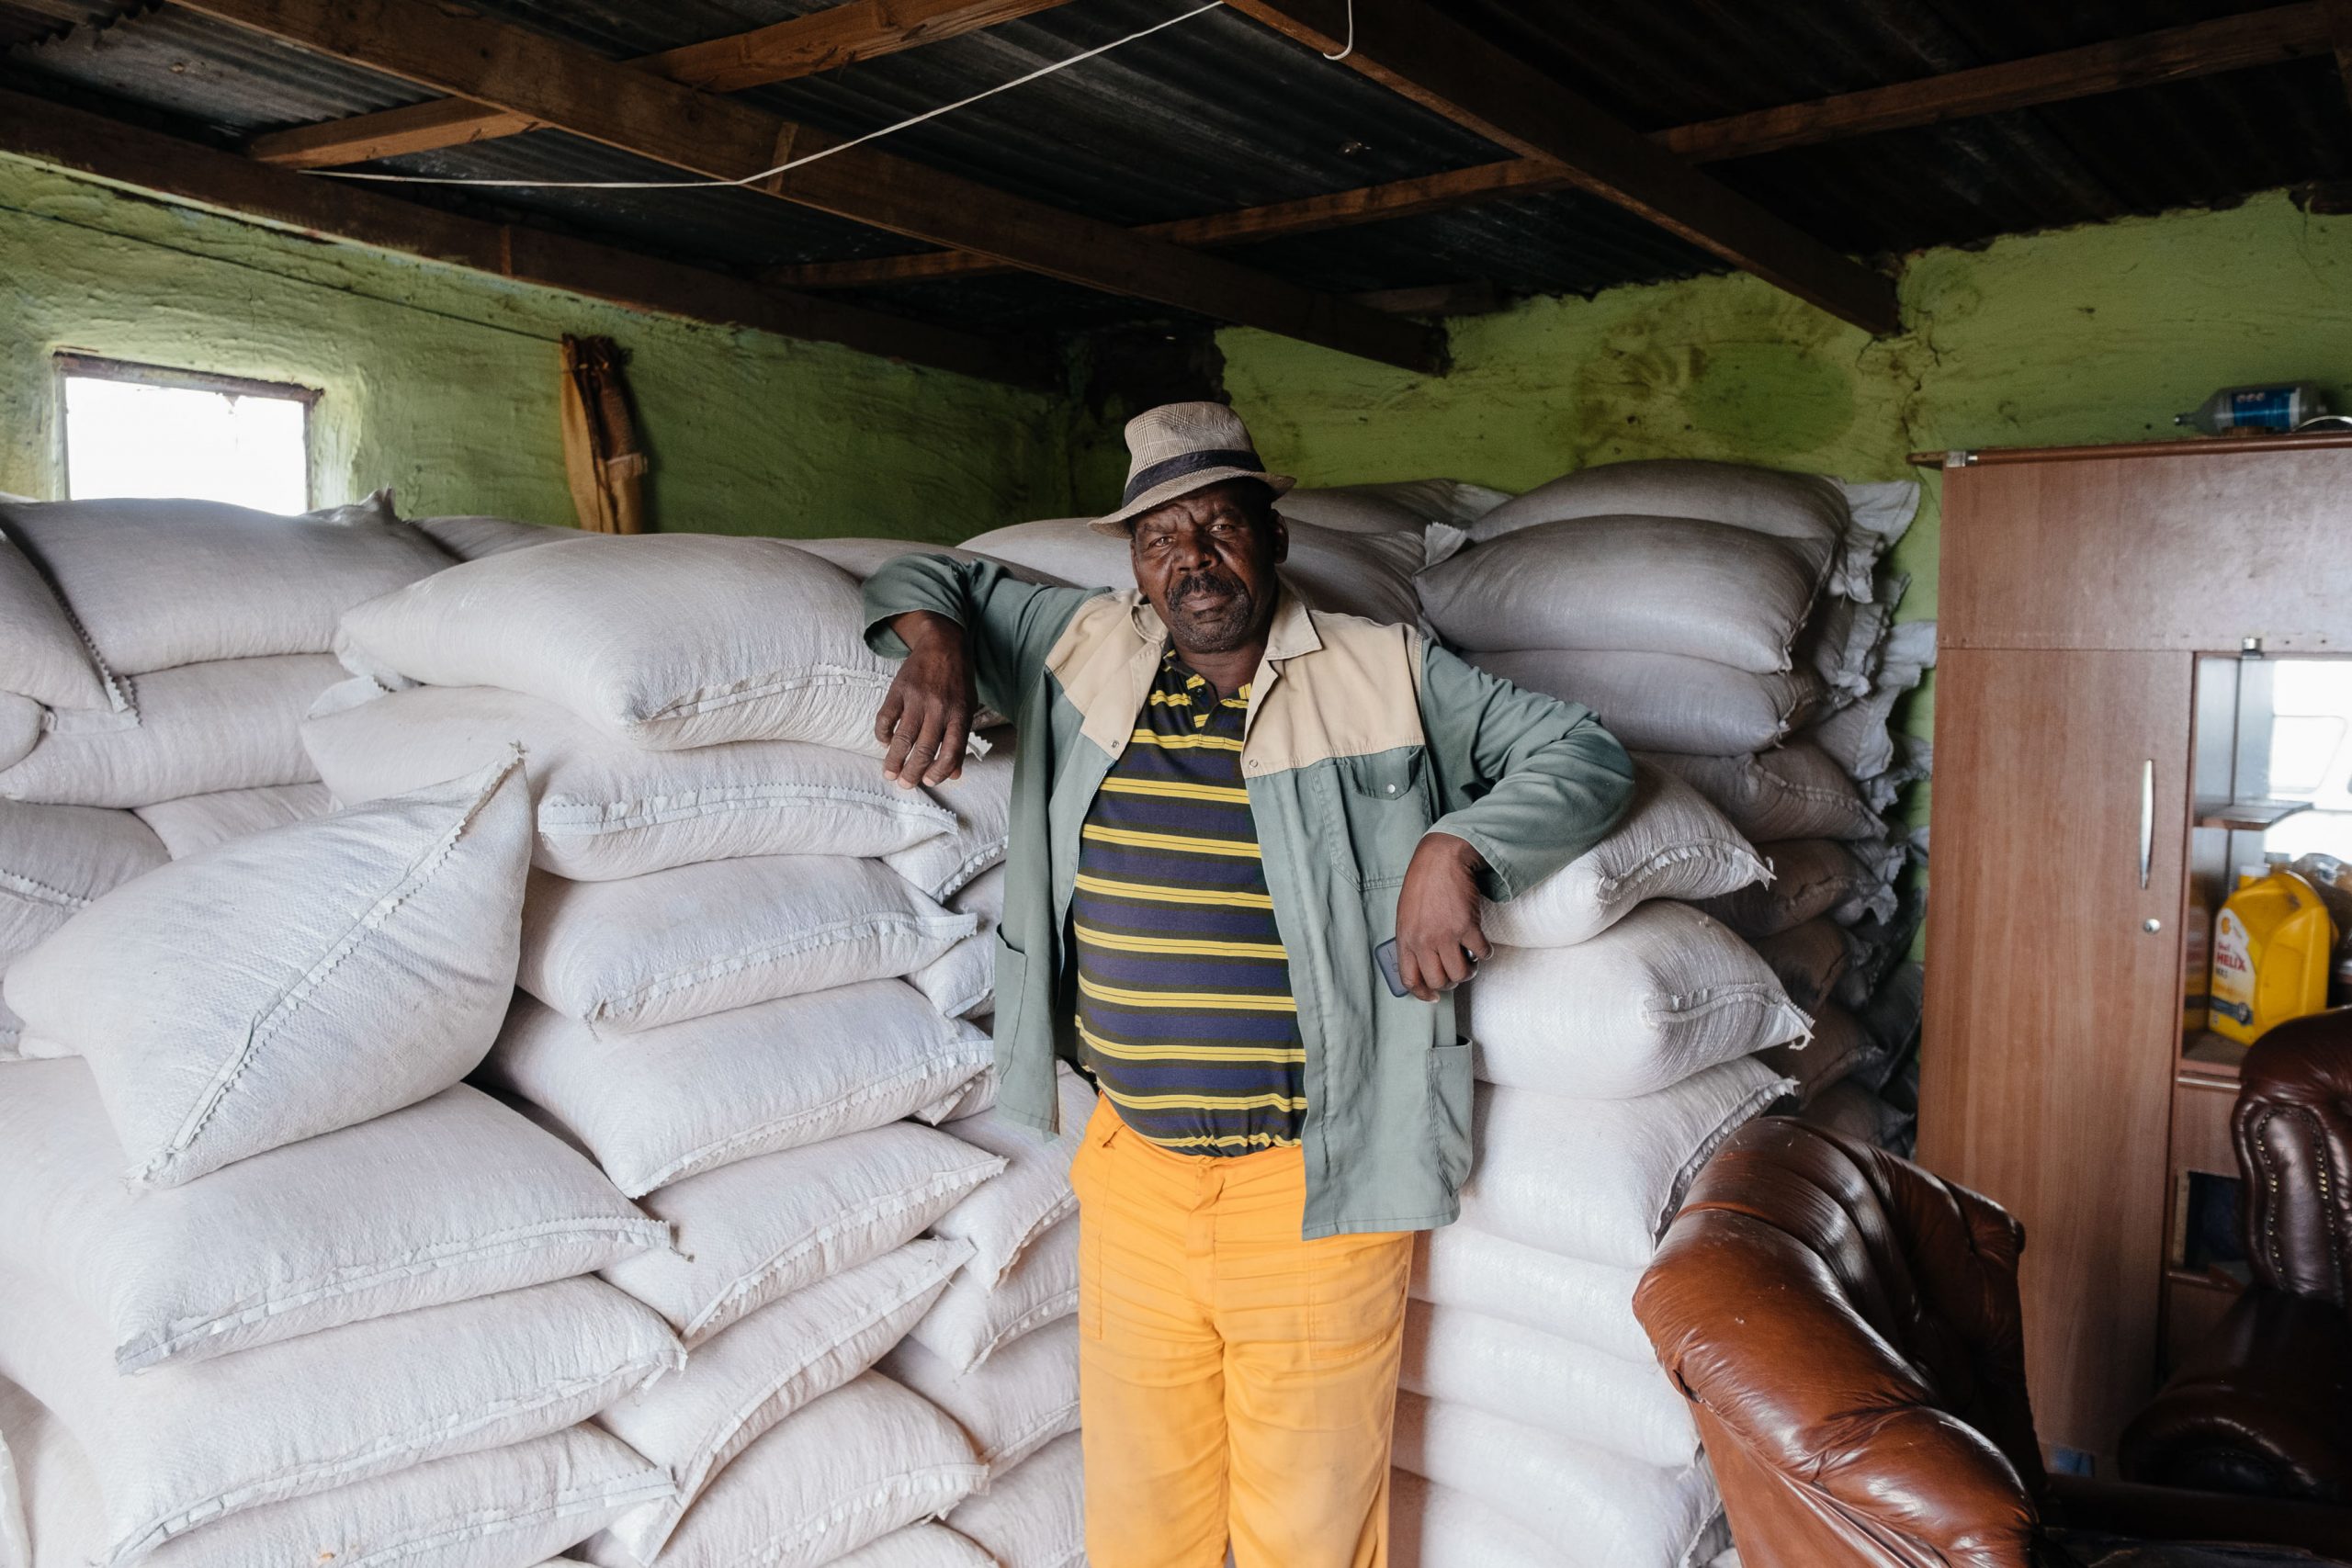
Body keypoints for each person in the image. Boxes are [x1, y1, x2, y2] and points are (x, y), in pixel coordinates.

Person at [862, 402, 1633, 1568]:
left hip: (1308, 1186)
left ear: (1272, 537)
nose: (1192, 564)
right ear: (1132, 559)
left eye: (1218, 527)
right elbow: (926, 573)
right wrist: (934, 645)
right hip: (1133, 1170)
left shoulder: (1384, 674)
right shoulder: (1081, 648)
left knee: (1308, 1536)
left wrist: (1455, 850)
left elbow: (1584, 754)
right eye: (1160, 539)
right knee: (1140, 1526)